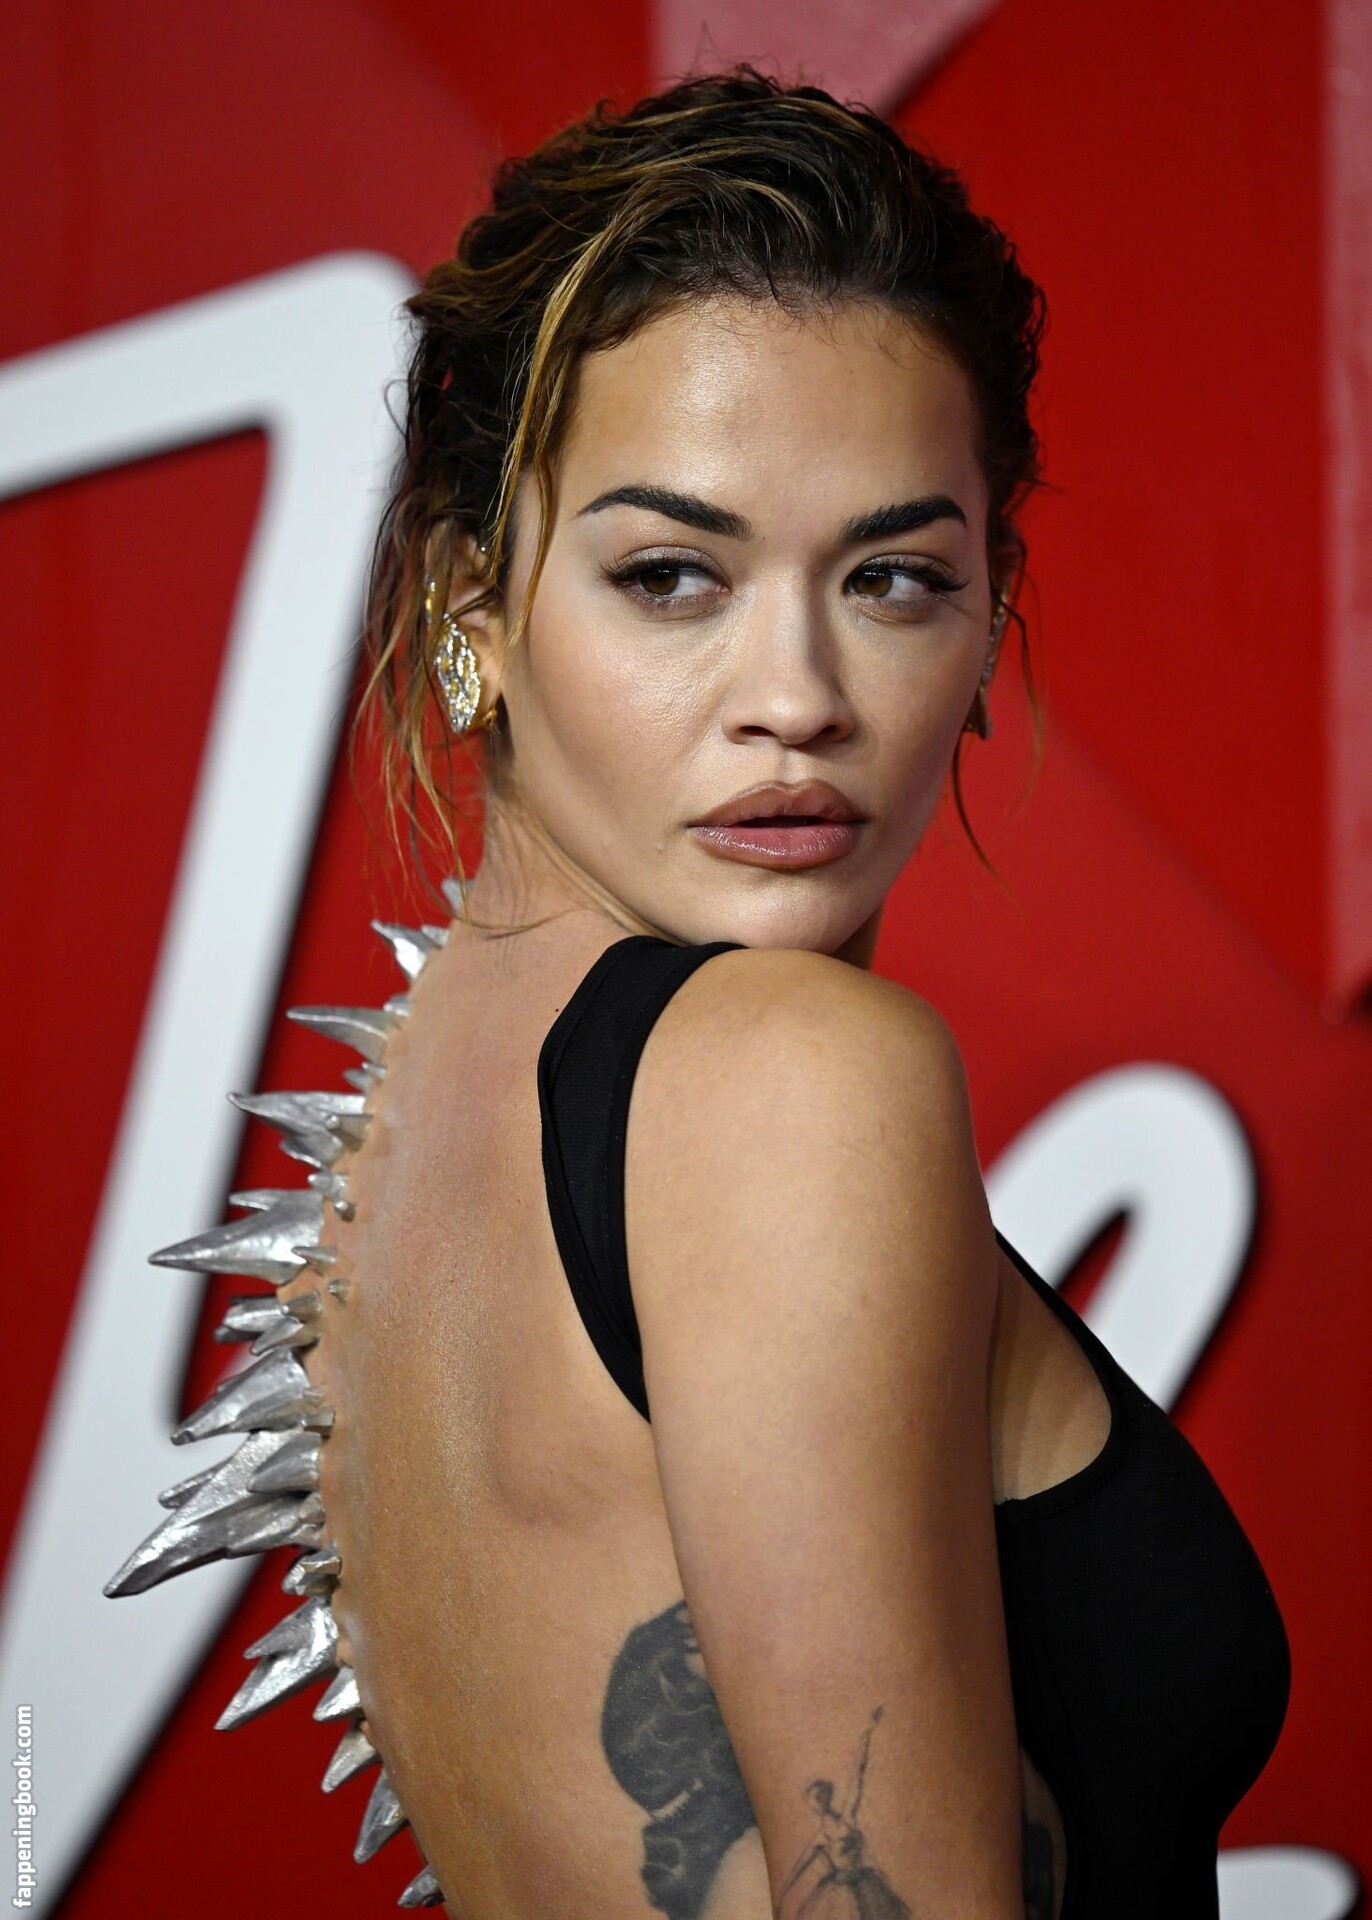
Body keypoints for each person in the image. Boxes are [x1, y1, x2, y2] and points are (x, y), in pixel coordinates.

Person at [108, 69, 1290, 1919]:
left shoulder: (393, 1150)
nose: (797, 695)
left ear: (992, 612)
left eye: (893, 578)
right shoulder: (787, 1075)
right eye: (671, 576)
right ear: (472, 604)